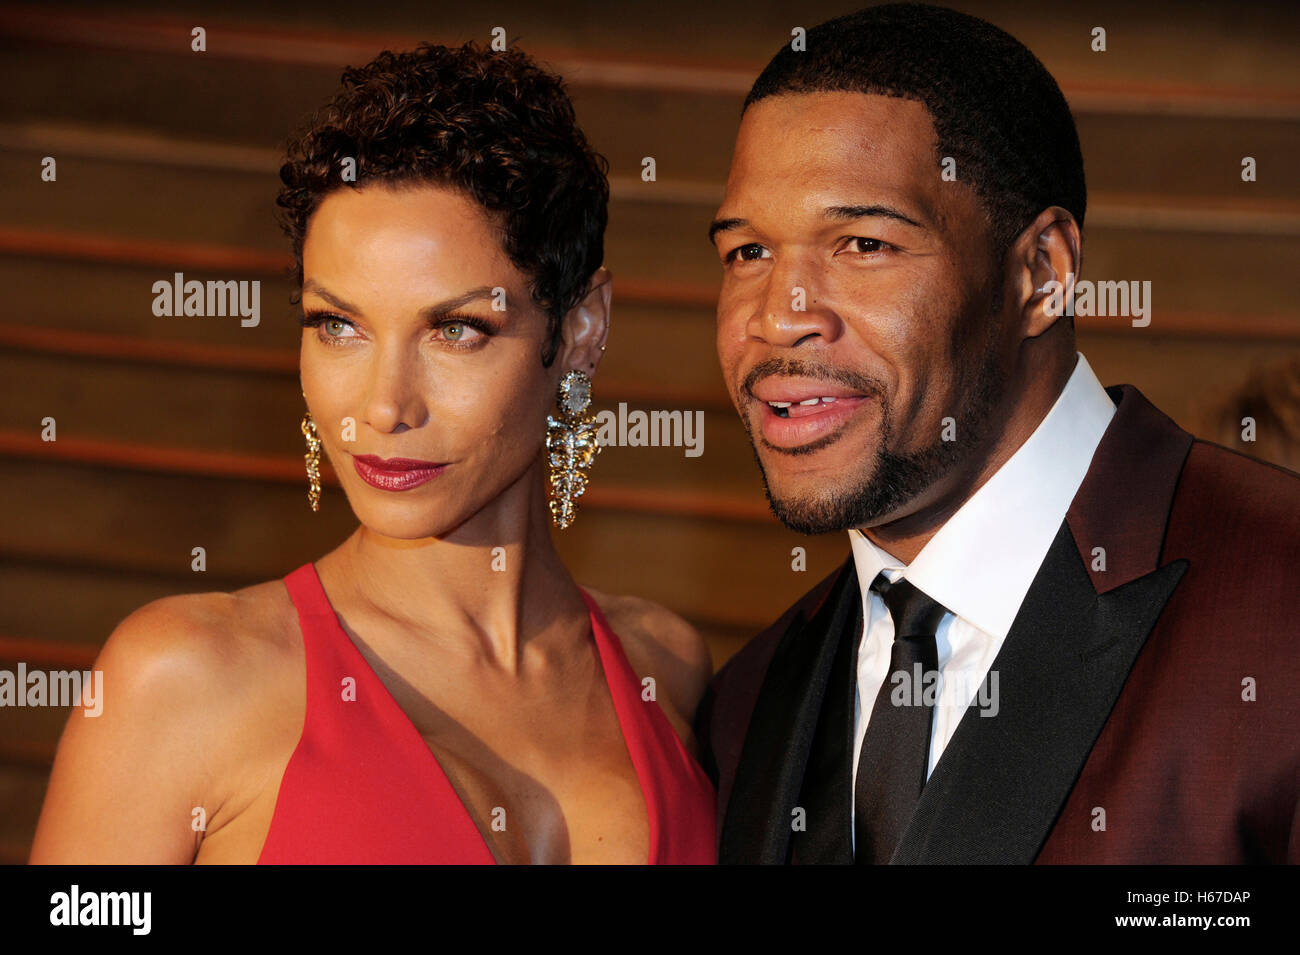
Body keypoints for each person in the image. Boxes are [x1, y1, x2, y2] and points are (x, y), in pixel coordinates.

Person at [30, 41, 716, 865]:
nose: (385, 406)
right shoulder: (184, 677)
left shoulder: (666, 667)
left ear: (580, 330)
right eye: (338, 326)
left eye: (455, 329)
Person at [695, 3, 1300, 864]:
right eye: (746, 253)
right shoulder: (747, 701)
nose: (778, 318)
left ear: (1042, 272)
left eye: (863, 243)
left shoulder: (1278, 606)